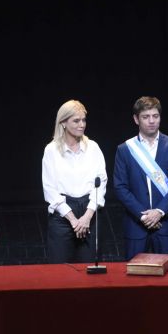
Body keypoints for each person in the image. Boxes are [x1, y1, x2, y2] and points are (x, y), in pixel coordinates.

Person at [113, 96, 168, 259]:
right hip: (136, 226)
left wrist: (159, 212)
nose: (151, 121)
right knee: (135, 273)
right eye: (146, 117)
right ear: (136, 119)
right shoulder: (125, 149)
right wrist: (144, 216)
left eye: (155, 116)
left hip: (165, 224)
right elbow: (120, 187)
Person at [41, 100, 107, 263]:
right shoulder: (51, 150)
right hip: (62, 215)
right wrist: (73, 219)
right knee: (60, 270)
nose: (82, 125)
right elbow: (50, 189)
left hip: (90, 211)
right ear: (63, 122)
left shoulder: (93, 147)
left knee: (90, 268)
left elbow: (101, 183)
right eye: (76, 121)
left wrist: (87, 217)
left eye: (84, 120)